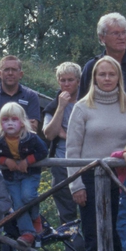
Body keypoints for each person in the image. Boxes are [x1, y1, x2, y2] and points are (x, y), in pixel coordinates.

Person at [66, 55, 126, 251]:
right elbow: (72, 150)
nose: (107, 78)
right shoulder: (82, 107)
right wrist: (76, 186)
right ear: (94, 78)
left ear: (119, 77)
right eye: (102, 74)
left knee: (116, 229)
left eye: (112, 74)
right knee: (93, 232)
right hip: (89, 177)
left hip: (119, 175)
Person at [0, 102, 49, 245]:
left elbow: (43, 151)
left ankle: (35, 217)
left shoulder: (31, 137)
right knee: (18, 204)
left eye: (14, 119)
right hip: (10, 177)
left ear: (22, 122)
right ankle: (27, 233)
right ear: (0, 122)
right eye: (5, 120)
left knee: (28, 196)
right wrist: (5, 160)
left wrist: (28, 160)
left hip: (29, 174)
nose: (10, 123)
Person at [79, 13, 126, 129]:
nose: (122, 37)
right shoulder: (92, 67)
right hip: (102, 138)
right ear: (102, 37)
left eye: (124, 32)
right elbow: (82, 108)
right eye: (115, 33)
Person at [42, 63, 83, 238]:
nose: (66, 84)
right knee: (67, 213)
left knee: (88, 209)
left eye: (70, 80)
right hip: (61, 162)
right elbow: (49, 133)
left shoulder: (86, 103)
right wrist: (61, 107)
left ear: (78, 81)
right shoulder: (53, 106)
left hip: (85, 161)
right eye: (63, 80)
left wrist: (66, 134)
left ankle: (93, 249)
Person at [0, 56, 41, 133]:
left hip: (24, 144)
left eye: (14, 70)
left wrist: (0, 124)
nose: (10, 73)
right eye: (6, 70)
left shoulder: (31, 96)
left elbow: (33, 127)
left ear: (21, 74)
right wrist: (22, 124)